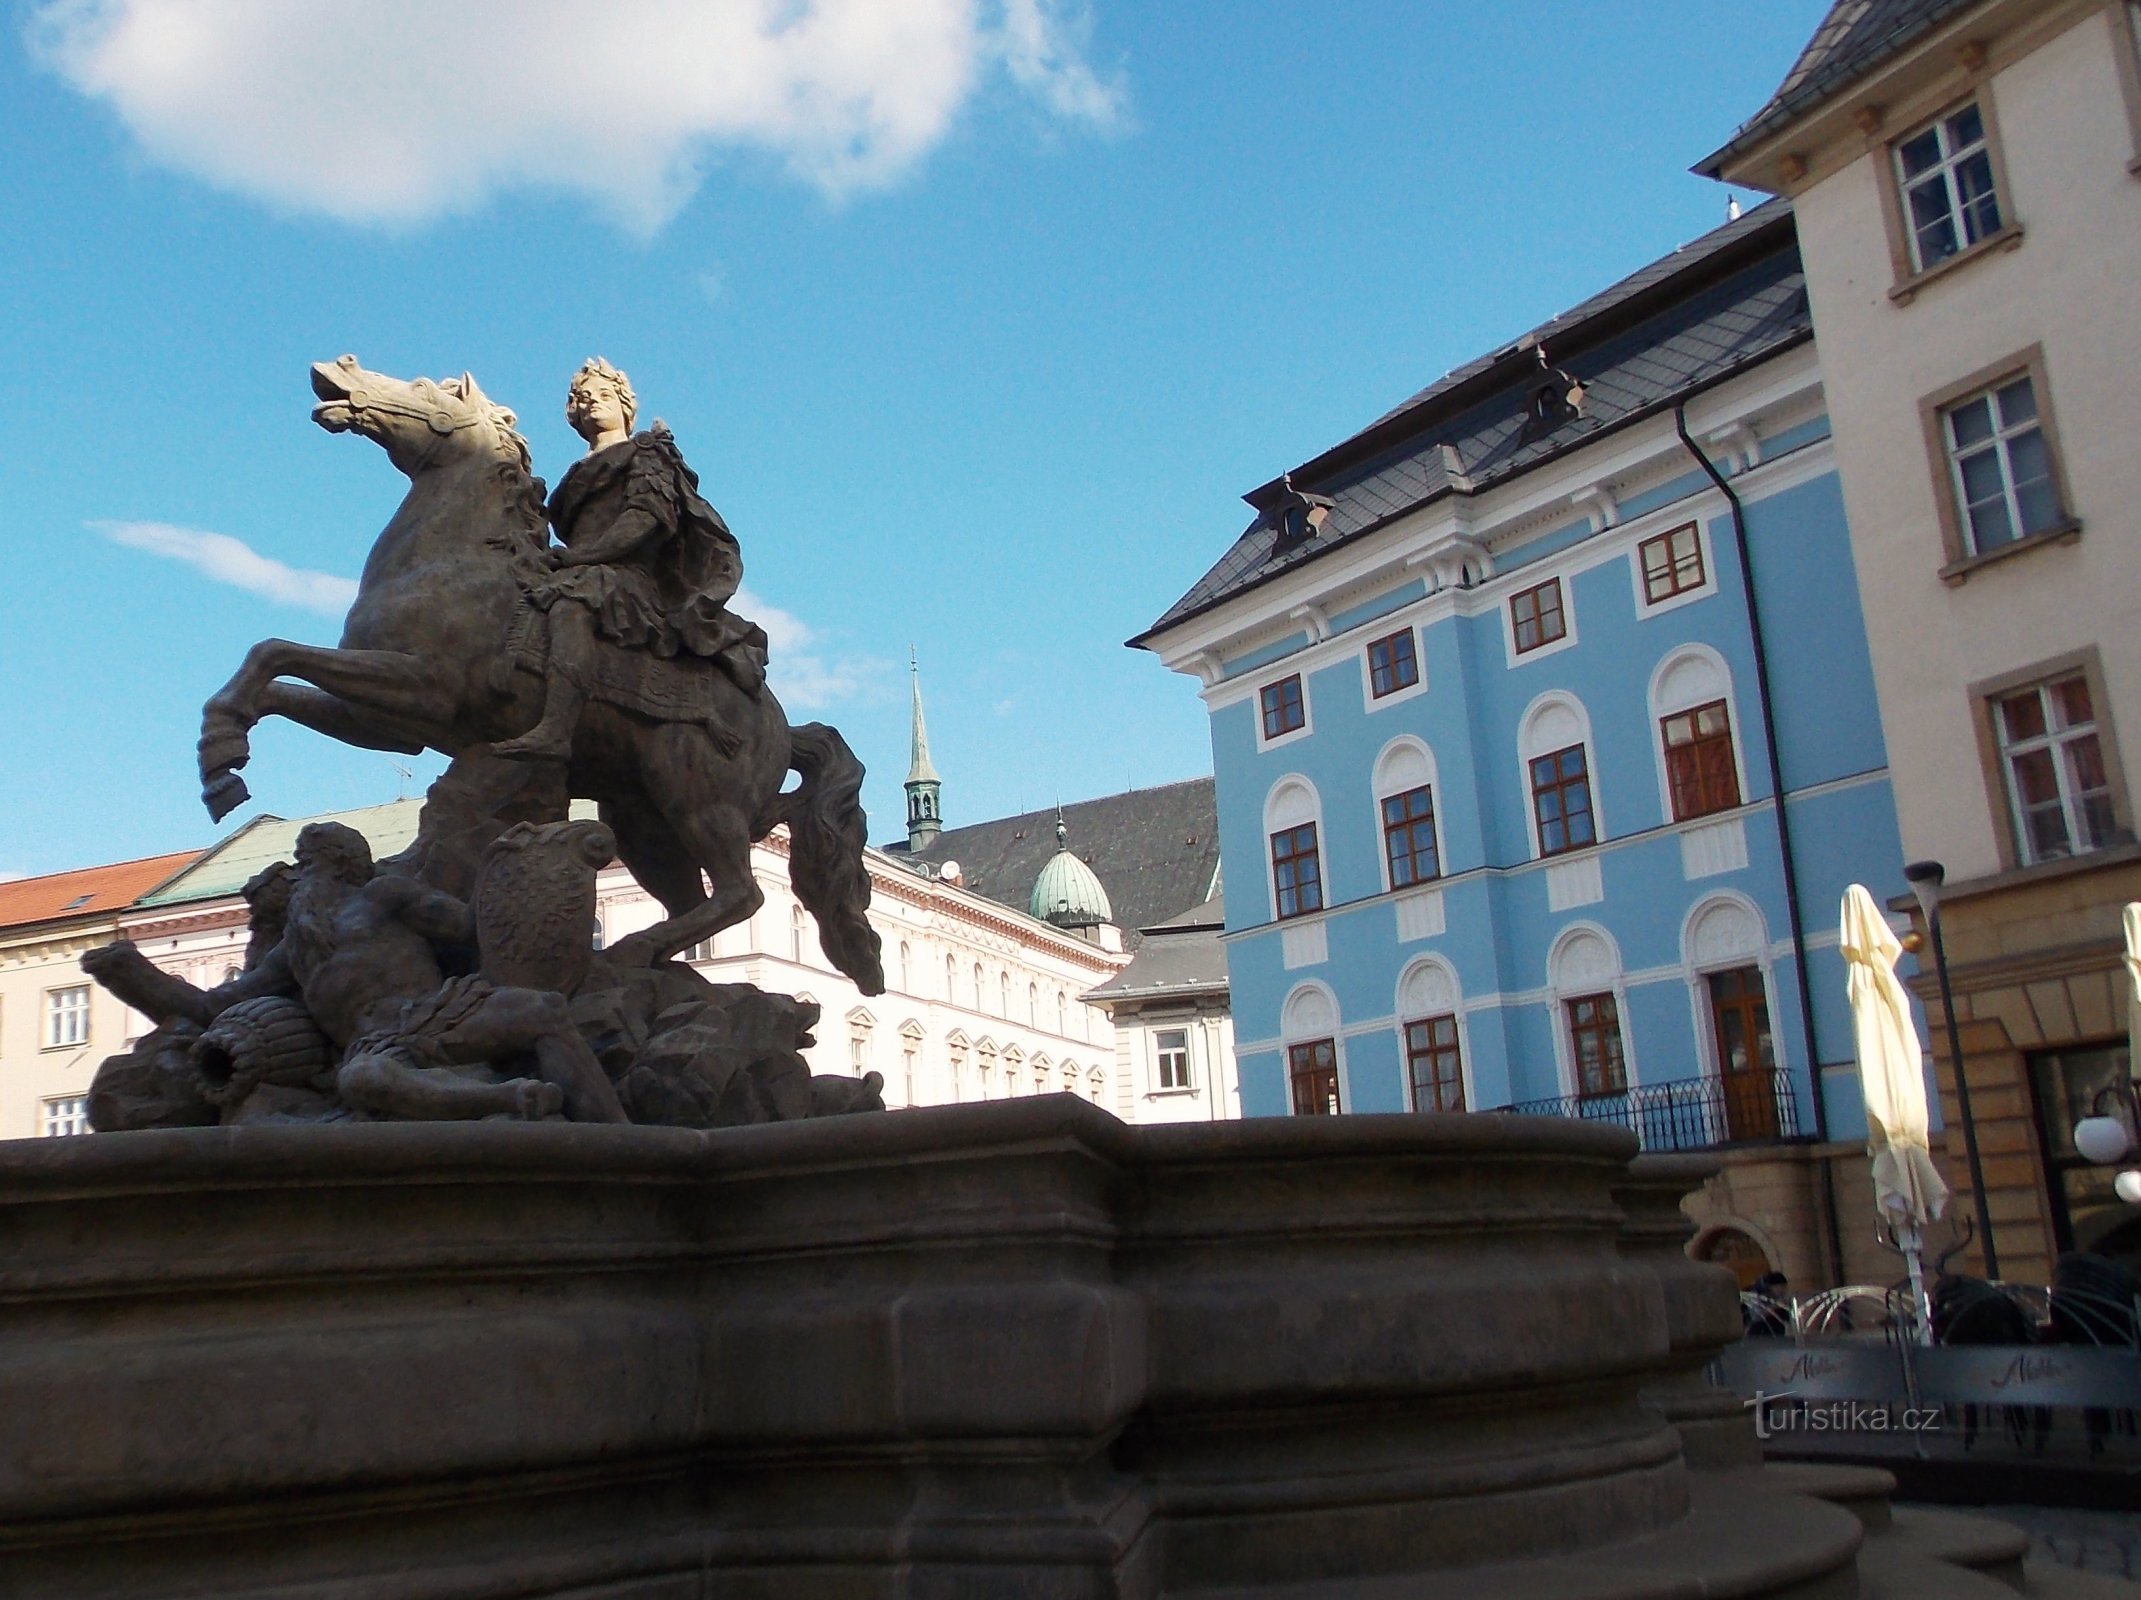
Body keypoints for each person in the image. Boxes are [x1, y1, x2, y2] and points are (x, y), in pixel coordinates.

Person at [215, 822, 627, 1123]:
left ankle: (619, 1141)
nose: (297, 877)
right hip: (378, 1048)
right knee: (363, 1080)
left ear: (340, 865)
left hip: (440, 1014)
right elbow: (215, 1001)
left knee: (542, 1009)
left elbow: (469, 925)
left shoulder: (383, 895)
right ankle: (506, 1099)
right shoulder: (294, 950)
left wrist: (499, 871)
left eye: (305, 864)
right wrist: (145, 976)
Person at [491, 357, 768, 762]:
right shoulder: (575, 472)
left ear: (625, 405)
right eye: (583, 399)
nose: (592, 404)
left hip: (625, 576)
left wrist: (580, 557)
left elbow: (644, 520)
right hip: (579, 566)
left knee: (571, 606)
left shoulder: (645, 453)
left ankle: (555, 730)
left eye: (604, 395)